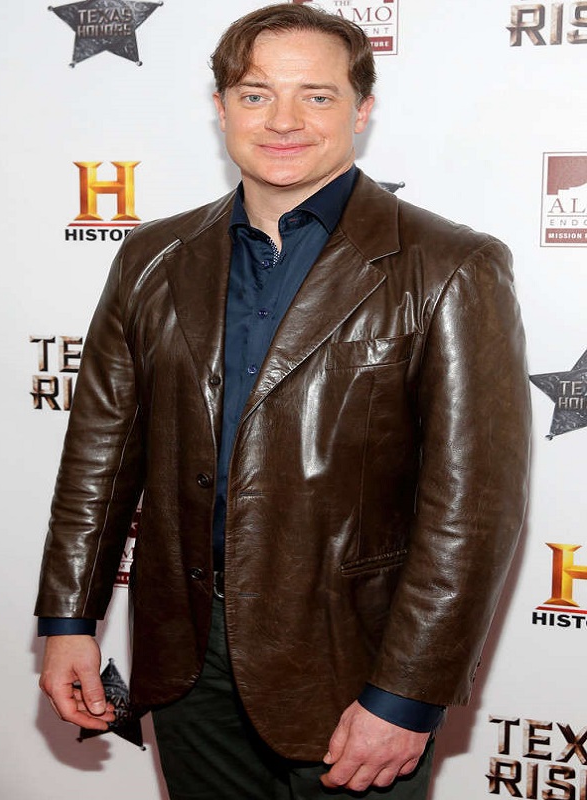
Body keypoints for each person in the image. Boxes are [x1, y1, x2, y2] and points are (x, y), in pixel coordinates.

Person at [35, 4, 531, 798]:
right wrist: (68, 622)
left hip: (357, 660)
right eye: (257, 93)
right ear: (221, 107)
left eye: (317, 95)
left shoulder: (450, 265)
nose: (284, 120)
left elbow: (474, 509)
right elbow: (98, 454)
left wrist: (406, 695)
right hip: (186, 659)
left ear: (362, 110)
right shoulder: (151, 258)